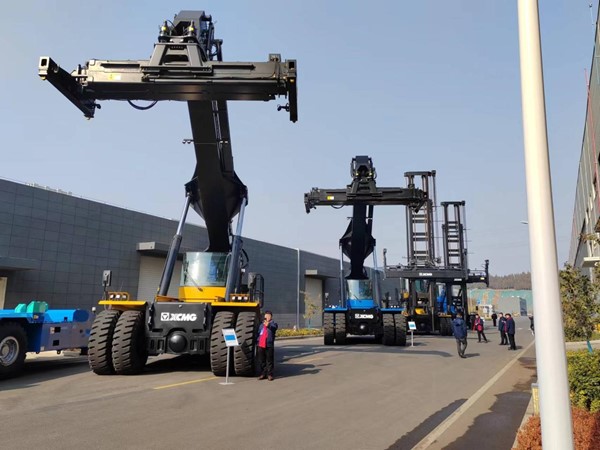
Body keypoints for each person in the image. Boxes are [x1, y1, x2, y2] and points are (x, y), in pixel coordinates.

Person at [256, 310, 278, 381]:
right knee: (261, 360)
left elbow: (274, 328)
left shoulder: (273, 324)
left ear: (271, 317)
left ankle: (269, 374)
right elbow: (258, 333)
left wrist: (268, 325)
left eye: (268, 316)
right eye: (266, 316)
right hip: (261, 344)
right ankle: (263, 373)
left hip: (269, 345)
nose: (267, 317)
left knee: (269, 360)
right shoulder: (261, 325)